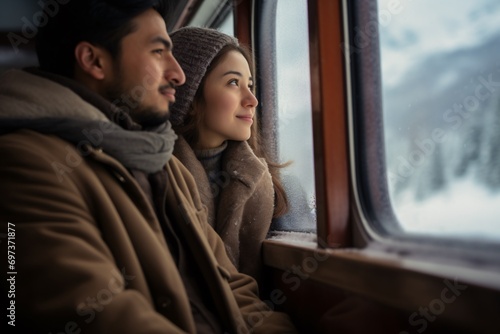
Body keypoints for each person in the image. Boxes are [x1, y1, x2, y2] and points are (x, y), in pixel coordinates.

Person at [0, 1, 298, 333]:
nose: (178, 74)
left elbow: (230, 284)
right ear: (93, 61)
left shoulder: (165, 165)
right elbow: (96, 313)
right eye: (159, 52)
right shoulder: (25, 163)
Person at [169, 27, 289, 283]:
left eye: (250, 85)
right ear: (190, 96)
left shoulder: (275, 187)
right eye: (233, 83)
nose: (252, 100)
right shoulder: (157, 177)